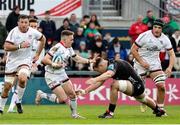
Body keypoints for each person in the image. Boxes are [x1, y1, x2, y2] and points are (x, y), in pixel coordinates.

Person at [76, 58, 166, 118]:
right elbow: (99, 83)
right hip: (137, 85)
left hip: (136, 85)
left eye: (97, 70)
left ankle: (110, 113)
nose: (98, 72)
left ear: (101, 66)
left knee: (114, 85)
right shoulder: (110, 64)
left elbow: (108, 75)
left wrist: (94, 79)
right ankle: (158, 110)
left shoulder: (112, 64)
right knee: (143, 99)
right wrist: (85, 91)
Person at [35, 30, 95, 118]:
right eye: (71, 39)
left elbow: (77, 58)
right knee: (62, 99)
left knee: (72, 94)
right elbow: (44, 60)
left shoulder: (69, 48)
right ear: (64, 39)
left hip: (61, 73)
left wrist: (89, 61)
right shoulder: (56, 48)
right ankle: (42, 94)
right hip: (51, 75)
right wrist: (54, 64)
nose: (73, 41)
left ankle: (74, 115)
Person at [0, 15, 46, 114]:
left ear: (28, 23)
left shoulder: (33, 32)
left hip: (25, 61)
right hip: (12, 62)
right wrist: (20, 46)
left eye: (26, 22)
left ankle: (18, 101)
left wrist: (37, 54)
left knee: (22, 78)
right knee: (7, 87)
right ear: (18, 23)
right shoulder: (13, 32)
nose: (24, 24)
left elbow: (43, 39)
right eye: (22, 22)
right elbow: (6, 47)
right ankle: (1, 108)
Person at [130, 19, 176, 114]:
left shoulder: (165, 39)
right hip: (140, 64)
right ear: (153, 27)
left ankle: (160, 109)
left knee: (161, 86)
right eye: (155, 27)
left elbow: (172, 54)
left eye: (159, 28)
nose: (157, 29)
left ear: (162, 29)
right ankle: (144, 100)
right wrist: (142, 62)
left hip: (154, 64)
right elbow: (133, 50)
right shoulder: (144, 36)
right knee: (139, 90)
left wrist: (170, 67)